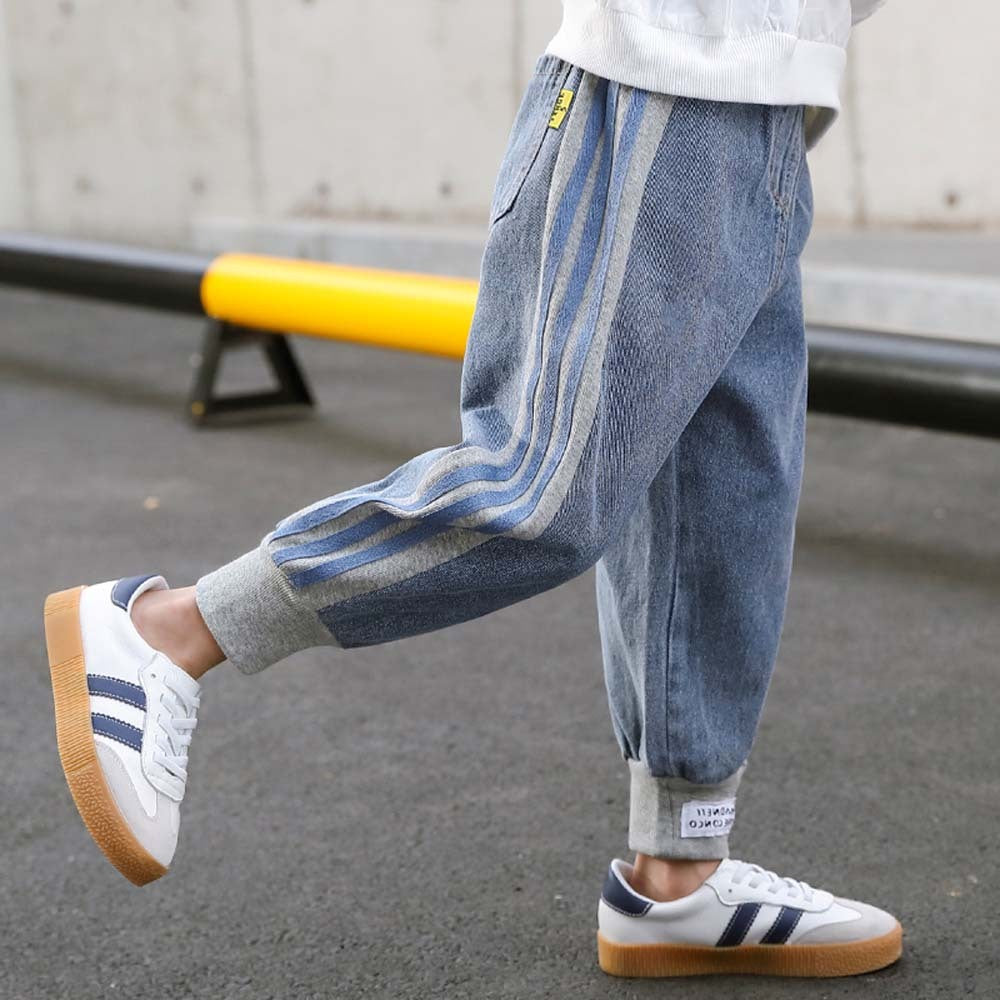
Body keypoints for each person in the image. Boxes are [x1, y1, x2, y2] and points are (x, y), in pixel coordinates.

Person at [43, 0, 901, 979]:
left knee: (723, 502)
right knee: (542, 487)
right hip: (671, 79)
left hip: (774, 103)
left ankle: (678, 872)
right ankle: (170, 630)